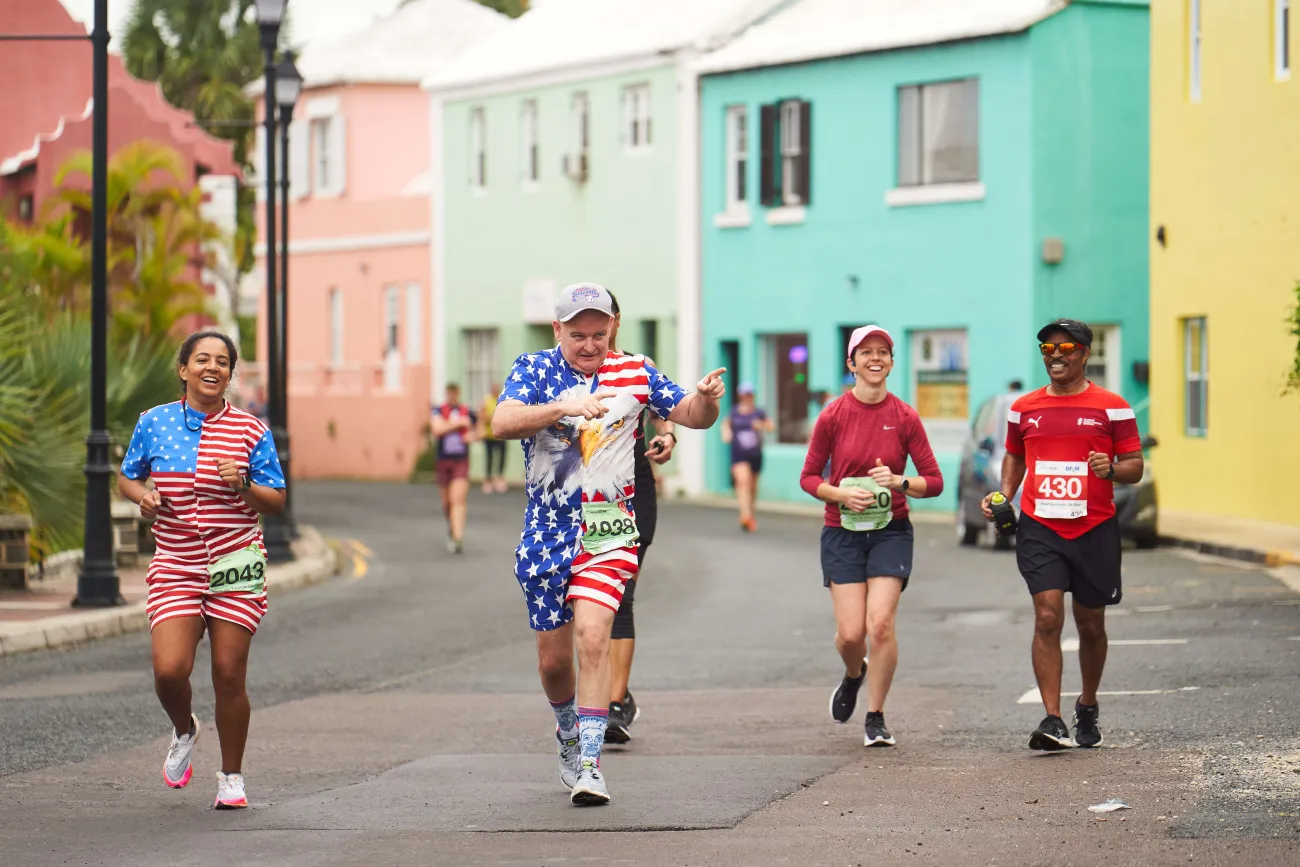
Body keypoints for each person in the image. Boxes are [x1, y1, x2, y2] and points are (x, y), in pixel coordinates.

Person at [492, 282, 725, 806]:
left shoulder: (636, 370)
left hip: (607, 528)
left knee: (595, 637)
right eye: (578, 335)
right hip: (547, 530)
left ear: (612, 329)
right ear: (558, 331)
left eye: (599, 334)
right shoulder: (534, 369)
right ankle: (568, 732)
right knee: (554, 664)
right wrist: (559, 407)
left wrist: (706, 402)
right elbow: (502, 421)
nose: (590, 345)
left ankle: (591, 766)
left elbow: (689, 413)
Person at [117, 330, 286, 810]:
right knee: (170, 670)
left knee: (229, 674)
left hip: (235, 563)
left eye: (223, 362)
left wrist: (244, 484)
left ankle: (231, 777)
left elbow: (275, 502)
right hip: (176, 563)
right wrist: (143, 496)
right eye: (202, 360)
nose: (213, 368)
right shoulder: (154, 423)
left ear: (231, 374)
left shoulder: (251, 430)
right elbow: (128, 475)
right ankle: (184, 728)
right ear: (183, 368)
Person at [981, 319, 1143, 751]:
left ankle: (1086, 704)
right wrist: (1005, 494)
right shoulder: (1025, 408)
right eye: (1047, 348)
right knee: (1048, 616)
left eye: (1066, 347)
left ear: (1086, 353)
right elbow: (1015, 455)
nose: (1056, 354)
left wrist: (1111, 469)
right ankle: (1052, 719)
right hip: (1041, 525)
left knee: (1090, 625)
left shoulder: (1113, 406)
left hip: (1094, 527)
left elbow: (1135, 465)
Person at [800, 325, 943, 747]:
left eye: (883, 352)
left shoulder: (904, 416)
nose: (875, 358)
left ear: (892, 363)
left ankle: (876, 716)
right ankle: (853, 672)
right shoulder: (833, 415)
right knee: (850, 635)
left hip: (891, 531)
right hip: (841, 531)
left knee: (880, 624)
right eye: (866, 353)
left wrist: (900, 482)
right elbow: (809, 477)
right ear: (852, 363)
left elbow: (933, 481)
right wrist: (840, 493)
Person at [603, 291, 677, 744]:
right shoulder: (563, 373)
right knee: (591, 601)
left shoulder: (637, 365)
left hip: (633, 490)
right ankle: (603, 695)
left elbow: (665, 411)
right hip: (582, 496)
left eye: (603, 321)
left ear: (615, 321)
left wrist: (667, 437)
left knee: (621, 594)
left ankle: (614, 705)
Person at [431, 384, 476, 553]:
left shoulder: (467, 412)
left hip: (460, 461)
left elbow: (477, 432)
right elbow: (437, 429)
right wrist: (456, 424)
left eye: (454, 393)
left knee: (458, 499)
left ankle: (457, 537)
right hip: (443, 461)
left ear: (458, 394)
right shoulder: (438, 411)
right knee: (447, 502)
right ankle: (451, 528)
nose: (452, 397)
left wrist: (471, 436)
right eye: (449, 393)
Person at [721, 383, 773, 532]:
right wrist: (726, 433)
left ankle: (750, 512)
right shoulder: (734, 412)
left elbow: (771, 426)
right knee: (742, 481)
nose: (747, 397)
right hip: (739, 453)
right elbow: (725, 424)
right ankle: (745, 515)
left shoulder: (759, 412)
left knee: (752, 485)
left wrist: (761, 426)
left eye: (749, 394)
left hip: (755, 453)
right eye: (745, 394)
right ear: (740, 396)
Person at [480, 384, 508, 494]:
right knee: (489, 458)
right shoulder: (487, 400)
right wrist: (494, 417)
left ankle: (499, 478)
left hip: (502, 435)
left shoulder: (503, 399)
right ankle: (488, 480)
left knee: (501, 458)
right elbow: (482, 415)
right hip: (489, 434)